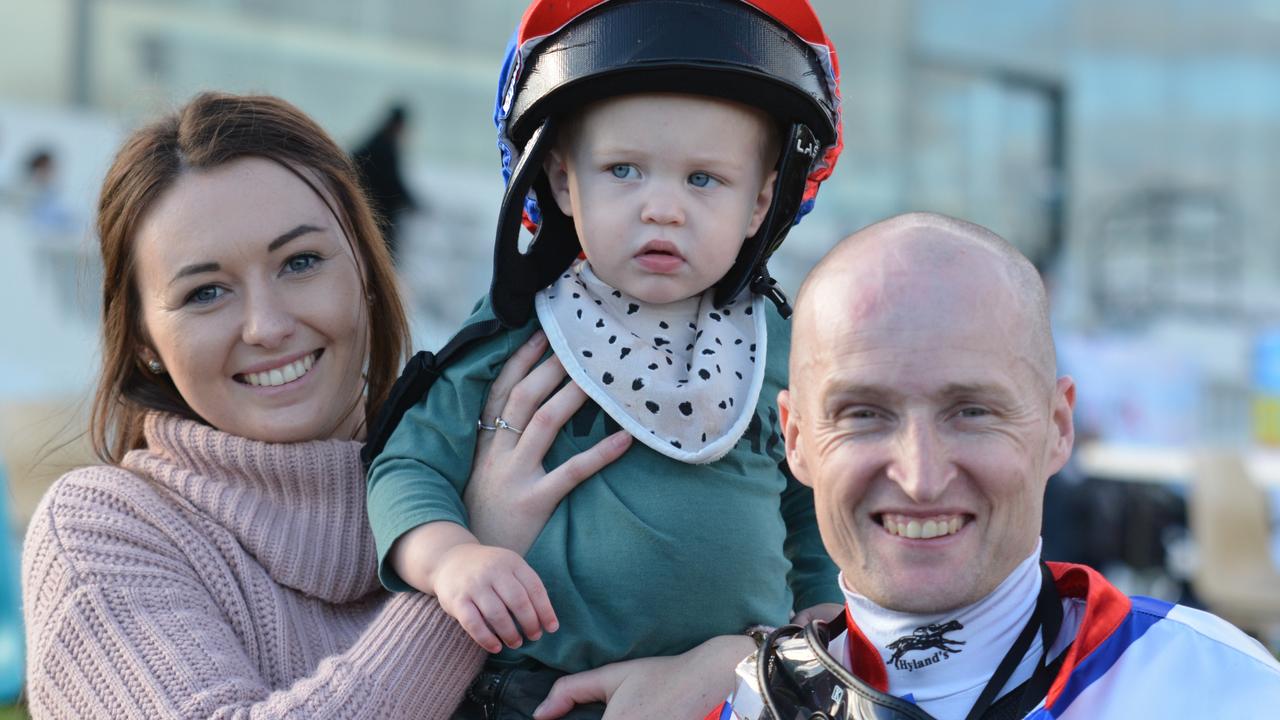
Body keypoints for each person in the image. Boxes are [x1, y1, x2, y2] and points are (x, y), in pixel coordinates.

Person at [20, 92, 631, 719]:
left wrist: (722, 671)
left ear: (367, 271)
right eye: (205, 292)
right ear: (145, 338)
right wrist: (466, 560)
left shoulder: (507, 459)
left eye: (301, 262)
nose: (267, 326)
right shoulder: (102, 533)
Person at [364, 0, 846, 716]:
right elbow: (407, 465)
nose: (663, 208)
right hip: (537, 697)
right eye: (624, 170)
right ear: (561, 181)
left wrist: (820, 611)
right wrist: (451, 558)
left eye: (703, 179)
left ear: (760, 203)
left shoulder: (780, 347)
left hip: (736, 696)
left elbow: (812, 503)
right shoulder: (520, 327)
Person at [713, 212, 1280, 718]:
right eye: (863, 414)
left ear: (1059, 428)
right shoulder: (739, 703)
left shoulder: (1222, 693)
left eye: (972, 412)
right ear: (796, 440)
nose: (921, 478)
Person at [352, 104, 418, 263]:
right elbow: (393, 182)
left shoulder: (374, 141)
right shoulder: (385, 147)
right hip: (379, 214)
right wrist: (413, 203)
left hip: (369, 210)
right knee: (381, 256)